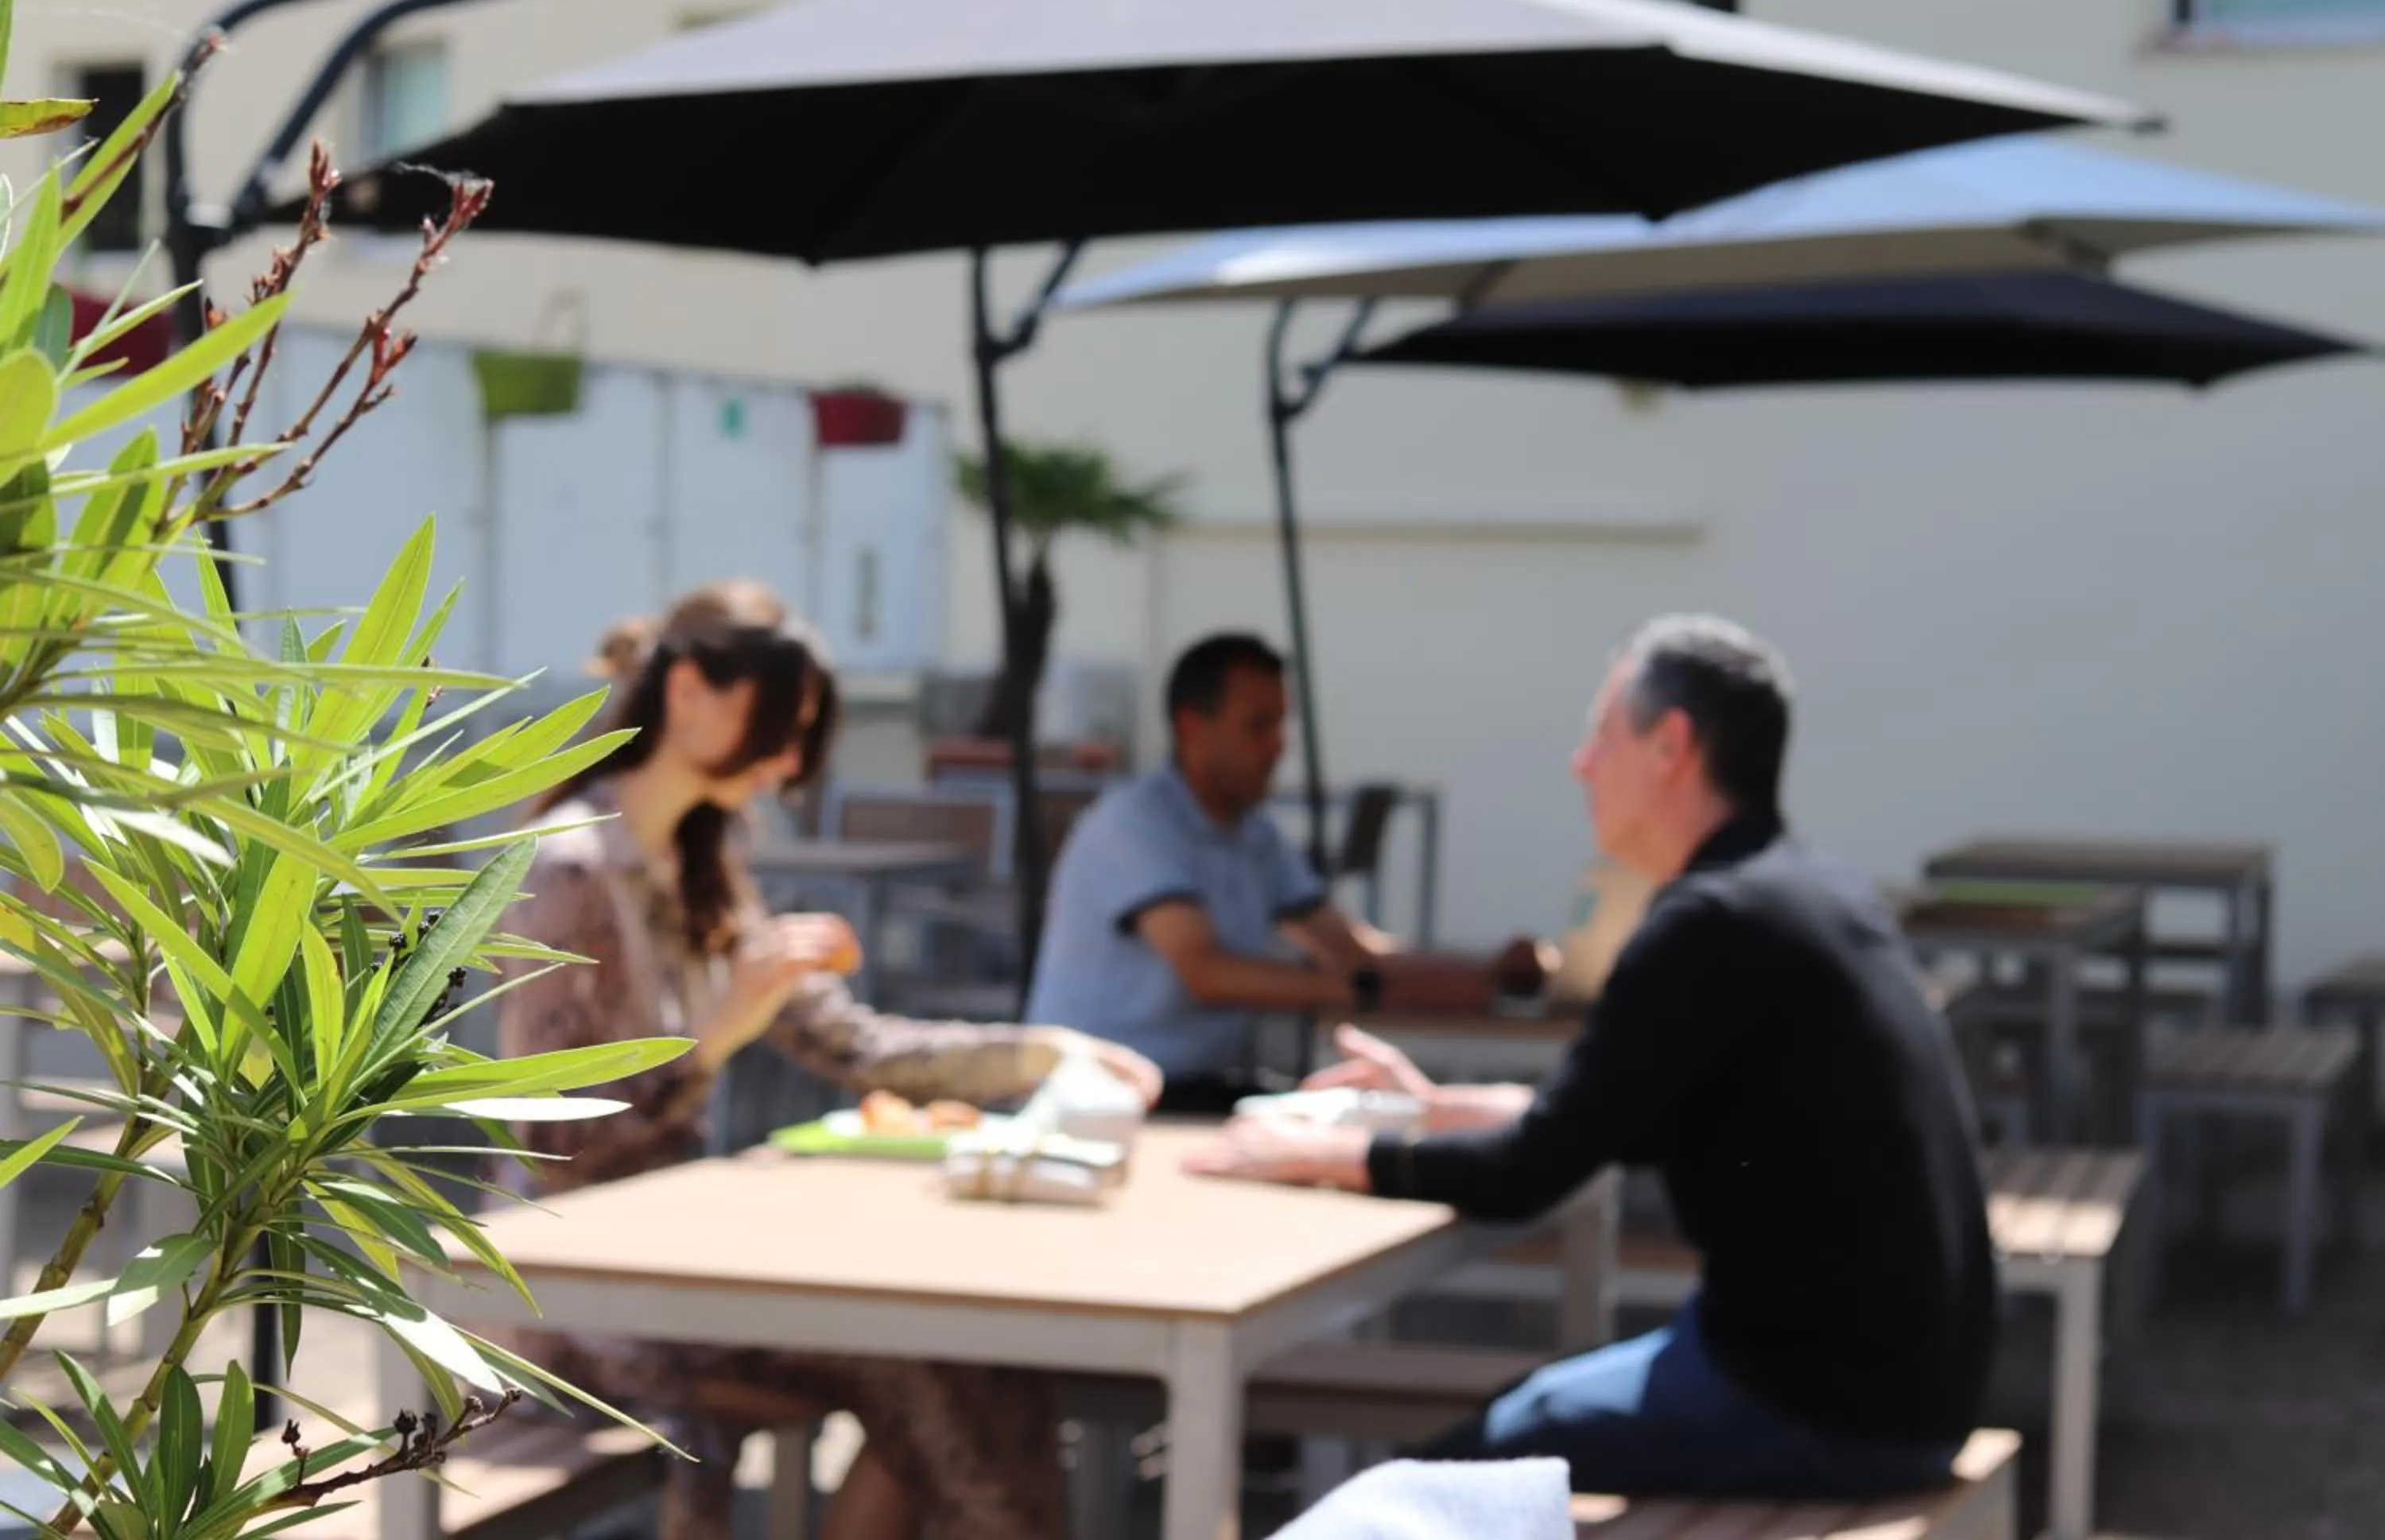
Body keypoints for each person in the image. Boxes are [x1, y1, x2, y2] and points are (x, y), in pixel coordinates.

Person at [1185, 615, 1998, 1499]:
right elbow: (1605, 1111)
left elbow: (1531, 1172)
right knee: (1500, 1439)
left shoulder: (1709, 920)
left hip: (1817, 1406)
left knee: (1427, 1495)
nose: (1581, 762)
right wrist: (1432, 1104)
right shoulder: (1811, 892)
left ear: (1671, 744)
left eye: (1602, 733)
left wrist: (1321, 1155)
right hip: (1905, 1390)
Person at [487, 580, 1161, 1540]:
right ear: (687, 690)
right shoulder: (568, 867)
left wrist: (1041, 1051)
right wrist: (716, 1030)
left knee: (975, 1362)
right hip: (584, 1295)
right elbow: (551, 1138)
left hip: (685, 1261)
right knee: (933, 1369)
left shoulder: (699, 861)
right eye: (775, 725)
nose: (789, 761)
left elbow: (854, 1044)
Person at [1025, 630, 1548, 1115]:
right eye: (1259, 725)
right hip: (1097, 1101)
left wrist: (1483, 968)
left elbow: (1351, 948)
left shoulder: (1254, 834)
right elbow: (1207, 972)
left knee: (1361, 1122)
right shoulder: (1132, 823)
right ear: (1191, 728)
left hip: (1193, 1089)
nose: (1280, 745)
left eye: (1281, 723)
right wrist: (1374, 993)